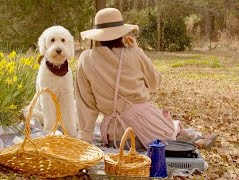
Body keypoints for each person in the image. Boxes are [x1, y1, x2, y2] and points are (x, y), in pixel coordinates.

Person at [75, 8, 216, 149]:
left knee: (170, 128)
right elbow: (155, 83)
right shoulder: (134, 54)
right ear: (121, 34)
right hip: (147, 128)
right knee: (171, 128)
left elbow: (85, 103)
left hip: (117, 138)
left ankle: (193, 138)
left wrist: (85, 134)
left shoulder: (86, 59)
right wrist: (137, 50)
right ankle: (194, 139)